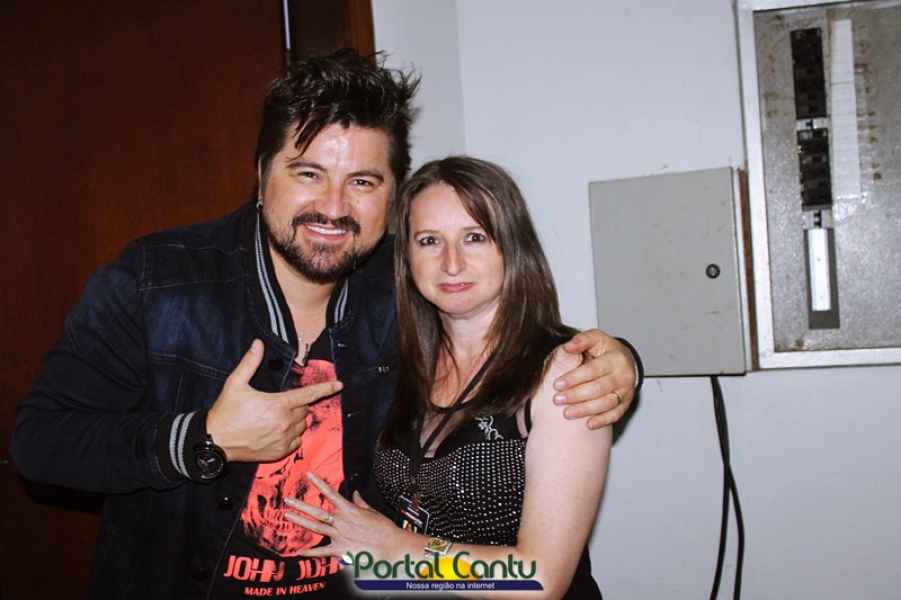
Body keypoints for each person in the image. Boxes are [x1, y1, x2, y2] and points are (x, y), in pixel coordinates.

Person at [10, 51, 640, 599]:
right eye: (308, 173)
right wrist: (203, 436)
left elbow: (511, 338)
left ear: (391, 197)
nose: (334, 207)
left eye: (362, 181)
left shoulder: (403, 289)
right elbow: (39, 444)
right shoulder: (156, 281)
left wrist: (619, 361)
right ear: (262, 176)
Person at [288, 156, 612, 598]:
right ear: (407, 258)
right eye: (429, 241)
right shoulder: (399, 361)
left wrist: (398, 548)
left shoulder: (562, 371)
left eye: (474, 237)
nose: (451, 263)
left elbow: (539, 581)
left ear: (512, 246)